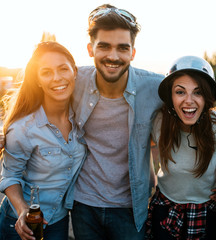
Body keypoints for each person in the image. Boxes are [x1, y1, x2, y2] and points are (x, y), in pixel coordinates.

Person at [70, 4, 163, 240]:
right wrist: (7, 135)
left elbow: (196, 112)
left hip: (131, 207)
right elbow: (35, 100)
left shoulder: (156, 87)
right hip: (83, 204)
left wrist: (212, 173)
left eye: (122, 48)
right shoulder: (73, 80)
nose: (113, 56)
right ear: (90, 49)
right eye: (104, 46)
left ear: (132, 52)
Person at [0, 41, 87, 240]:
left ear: (74, 72)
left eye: (63, 69)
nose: (57, 78)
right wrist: (22, 210)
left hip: (59, 221)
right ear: (37, 80)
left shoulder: (83, 118)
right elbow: (10, 177)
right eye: (46, 72)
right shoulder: (23, 128)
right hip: (20, 224)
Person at [145, 56, 216, 240]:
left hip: (205, 212)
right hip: (166, 208)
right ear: (170, 97)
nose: (189, 101)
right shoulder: (159, 121)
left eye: (197, 92)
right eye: (180, 92)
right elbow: (137, 149)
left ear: (207, 97)